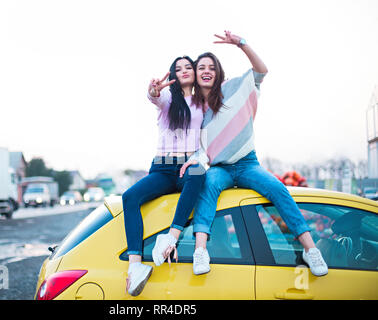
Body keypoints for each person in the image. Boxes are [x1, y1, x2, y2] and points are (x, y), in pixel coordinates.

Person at [180, 30, 328, 277]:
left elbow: (261, 71)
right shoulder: (195, 108)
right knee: (207, 188)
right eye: (201, 67)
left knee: (279, 190)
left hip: (248, 164)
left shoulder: (234, 88)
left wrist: (241, 44)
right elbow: (177, 121)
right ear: (195, 74)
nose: (206, 70)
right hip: (220, 168)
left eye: (211, 67)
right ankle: (200, 251)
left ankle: (310, 250)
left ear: (218, 73)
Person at [123, 56, 206, 296]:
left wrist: (199, 156)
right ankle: (135, 266)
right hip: (162, 165)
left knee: (198, 173)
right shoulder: (170, 99)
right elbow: (155, 97)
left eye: (188, 67)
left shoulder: (203, 102)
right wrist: (153, 90)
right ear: (173, 75)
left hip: (187, 164)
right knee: (130, 197)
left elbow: (211, 135)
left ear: (195, 72)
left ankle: (171, 237)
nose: (184, 71)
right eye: (178, 69)